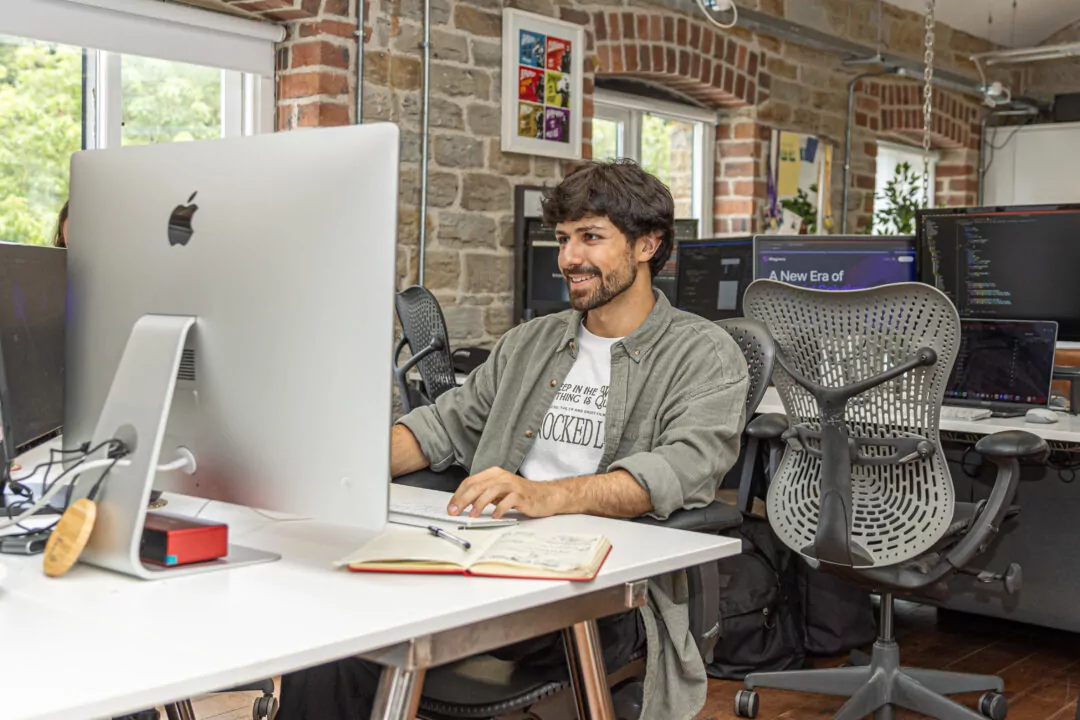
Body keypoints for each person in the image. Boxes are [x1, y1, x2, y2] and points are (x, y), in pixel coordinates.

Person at [277, 160, 750, 720]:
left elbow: (680, 469)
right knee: (330, 618)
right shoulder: (530, 342)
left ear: (647, 245)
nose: (569, 258)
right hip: (485, 558)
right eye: (564, 239)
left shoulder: (705, 353)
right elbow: (440, 426)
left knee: (376, 624)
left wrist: (546, 496)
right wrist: (333, 469)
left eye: (591, 238)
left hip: (602, 590)